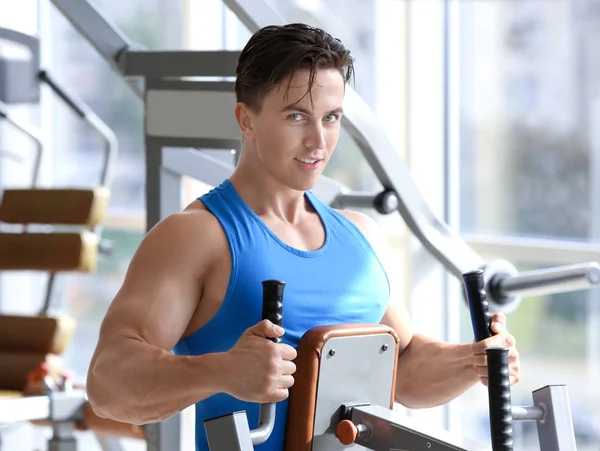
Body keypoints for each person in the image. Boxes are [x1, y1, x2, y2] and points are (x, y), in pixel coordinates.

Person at [86, 23, 521, 451]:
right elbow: (108, 384)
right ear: (246, 119)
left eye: (331, 118)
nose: (318, 141)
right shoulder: (197, 235)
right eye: (297, 116)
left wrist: (474, 360)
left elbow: (403, 369)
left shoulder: (361, 237)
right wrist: (221, 371)